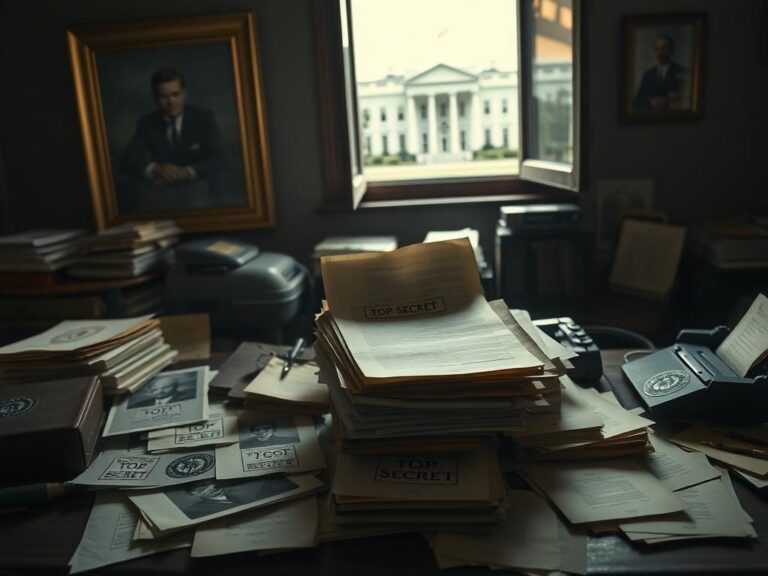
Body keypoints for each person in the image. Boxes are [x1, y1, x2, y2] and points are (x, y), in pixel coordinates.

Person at [120, 68, 226, 211]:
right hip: (163, 198)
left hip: (201, 197)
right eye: (163, 97)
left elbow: (220, 158)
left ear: (184, 94)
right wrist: (157, 168)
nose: (171, 102)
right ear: (155, 99)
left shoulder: (204, 118)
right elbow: (128, 160)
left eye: (175, 94)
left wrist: (187, 172)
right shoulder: (147, 123)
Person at [633, 35, 686, 112]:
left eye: (664, 49)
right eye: (657, 49)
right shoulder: (648, 74)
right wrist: (651, 102)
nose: (660, 53)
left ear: (671, 50)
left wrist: (679, 97)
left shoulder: (681, 71)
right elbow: (637, 101)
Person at [128, 375, 196, 408]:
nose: (160, 391)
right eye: (155, 389)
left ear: (175, 387)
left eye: (166, 387)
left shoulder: (190, 398)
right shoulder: (139, 405)